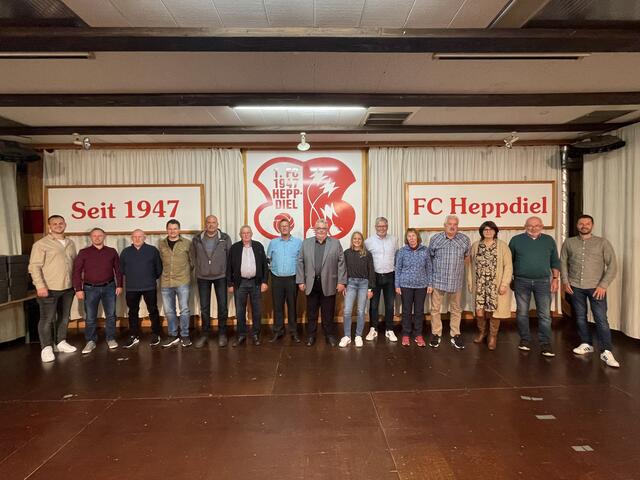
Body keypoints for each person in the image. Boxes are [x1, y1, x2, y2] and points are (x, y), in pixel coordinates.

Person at [561, 214, 619, 368]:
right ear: (577, 225)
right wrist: (565, 281)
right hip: (575, 287)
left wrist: (603, 285)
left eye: (587, 223)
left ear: (592, 226)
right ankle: (586, 343)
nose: (584, 226)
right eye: (581, 223)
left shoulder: (602, 243)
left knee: (601, 319)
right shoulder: (569, 242)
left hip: (596, 287)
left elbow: (612, 266)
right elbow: (563, 262)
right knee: (580, 317)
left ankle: (606, 351)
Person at [28, 215, 78, 363]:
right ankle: (46, 348)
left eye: (60, 223)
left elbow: (74, 264)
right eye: (54, 224)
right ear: (49, 226)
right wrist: (40, 286)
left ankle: (61, 342)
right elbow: (34, 267)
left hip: (68, 287)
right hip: (48, 288)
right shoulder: (41, 244)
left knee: (64, 317)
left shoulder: (70, 243)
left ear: (65, 225)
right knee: (47, 319)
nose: (58, 225)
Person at [509, 216, 561, 357]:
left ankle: (545, 343)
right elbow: (509, 261)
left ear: (541, 226)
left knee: (544, 314)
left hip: (543, 282)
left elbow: (555, 261)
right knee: (522, 313)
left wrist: (555, 279)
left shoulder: (549, 240)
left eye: (537, 225)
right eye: (530, 225)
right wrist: (509, 279)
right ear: (525, 226)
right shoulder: (516, 240)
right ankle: (525, 340)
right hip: (521, 281)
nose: (533, 228)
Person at [296, 218, 347, 347]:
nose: (321, 231)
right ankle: (311, 336)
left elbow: (341, 263)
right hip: (311, 283)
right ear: (314, 229)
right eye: (318, 228)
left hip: (329, 283)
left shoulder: (335, 243)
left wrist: (341, 282)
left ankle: (329, 335)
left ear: (327, 229)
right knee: (311, 312)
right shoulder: (306, 243)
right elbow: (300, 262)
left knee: (328, 313)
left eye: (323, 228)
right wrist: (300, 281)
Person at [73, 227, 123, 354]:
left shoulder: (111, 251)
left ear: (104, 236)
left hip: (109, 287)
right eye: (94, 236)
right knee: (90, 317)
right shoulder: (83, 252)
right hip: (90, 289)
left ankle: (111, 338)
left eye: (100, 235)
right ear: (91, 237)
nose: (97, 238)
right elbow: (76, 271)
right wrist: (78, 289)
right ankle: (90, 341)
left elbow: (118, 269)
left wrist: (119, 285)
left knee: (111, 315)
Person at [466, 221, 513, 351]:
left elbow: (508, 266)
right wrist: (470, 282)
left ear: (495, 231)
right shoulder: (476, 246)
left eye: (491, 229)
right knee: (480, 312)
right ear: (481, 231)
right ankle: (482, 332)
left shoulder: (502, 246)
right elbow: (470, 266)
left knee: (494, 312)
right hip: (480, 285)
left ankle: (493, 336)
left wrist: (504, 284)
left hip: (495, 285)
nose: (488, 232)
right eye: (485, 229)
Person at [428, 215, 471, 350]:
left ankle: (455, 334)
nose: (452, 227)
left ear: (458, 226)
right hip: (438, 280)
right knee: (435, 309)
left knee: (456, 309)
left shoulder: (464, 239)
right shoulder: (435, 239)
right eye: (449, 224)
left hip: (455, 281)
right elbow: (430, 258)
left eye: (455, 224)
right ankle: (436, 333)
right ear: (444, 225)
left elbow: (466, 258)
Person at [191, 215, 232, 348]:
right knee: (204, 307)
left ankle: (222, 333)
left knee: (222, 306)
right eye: (209, 222)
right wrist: (199, 268)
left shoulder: (225, 238)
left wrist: (229, 276)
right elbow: (193, 256)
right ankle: (205, 334)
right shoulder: (197, 239)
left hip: (221, 276)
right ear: (205, 224)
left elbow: (230, 257)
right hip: (203, 277)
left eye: (214, 222)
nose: (211, 225)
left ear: (217, 224)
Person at [120, 229, 163, 348]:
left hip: (149, 286)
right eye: (135, 237)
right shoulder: (126, 252)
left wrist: (150, 278)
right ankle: (133, 335)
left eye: (140, 236)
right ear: (131, 238)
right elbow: (122, 269)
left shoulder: (152, 250)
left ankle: (156, 333)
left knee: (153, 310)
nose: (137, 239)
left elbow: (159, 268)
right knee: (132, 312)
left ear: (145, 237)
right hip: (131, 287)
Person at [227, 226, 269, 346]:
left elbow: (264, 266)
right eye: (243, 233)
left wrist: (265, 281)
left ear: (251, 234)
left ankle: (256, 335)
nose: (246, 235)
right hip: (240, 283)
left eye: (248, 233)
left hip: (256, 283)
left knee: (257, 311)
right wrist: (230, 283)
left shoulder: (258, 246)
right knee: (240, 311)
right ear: (240, 235)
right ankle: (241, 335)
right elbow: (229, 267)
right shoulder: (234, 248)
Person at [158, 219, 193, 348]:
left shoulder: (187, 243)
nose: (172, 231)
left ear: (179, 230)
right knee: (169, 311)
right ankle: (173, 335)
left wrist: (185, 273)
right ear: (167, 230)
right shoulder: (161, 244)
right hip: (166, 282)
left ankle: (185, 335)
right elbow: (159, 262)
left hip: (182, 281)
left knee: (184, 310)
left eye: (175, 228)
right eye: (170, 229)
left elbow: (192, 262)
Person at [267, 218, 302, 343]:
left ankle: (293, 332)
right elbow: (268, 259)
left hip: (292, 279)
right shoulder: (273, 242)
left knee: (292, 307)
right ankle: (278, 331)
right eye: (282, 226)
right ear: (279, 228)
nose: (284, 228)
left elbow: (301, 261)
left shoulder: (298, 243)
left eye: (286, 226)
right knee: (277, 307)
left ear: (290, 227)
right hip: (276, 278)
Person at [395, 229, 432, 346]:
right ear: (407, 238)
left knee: (419, 311)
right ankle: (406, 334)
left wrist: (430, 284)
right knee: (406, 311)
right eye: (409, 236)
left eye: (413, 236)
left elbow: (429, 268)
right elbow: (398, 269)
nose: (411, 238)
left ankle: (418, 334)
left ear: (417, 237)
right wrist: (397, 285)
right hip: (405, 285)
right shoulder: (402, 251)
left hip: (421, 286)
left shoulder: (425, 250)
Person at [364, 216, 399, 342]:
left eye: (384, 226)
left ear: (387, 227)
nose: (382, 228)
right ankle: (373, 329)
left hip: (390, 276)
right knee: (373, 305)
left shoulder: (394, 240)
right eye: (379, 226)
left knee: (390, 305)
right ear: (375, 227)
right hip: (375, 277)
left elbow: (396, 257)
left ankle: (389, 329)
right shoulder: (368, 242)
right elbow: (366, 261)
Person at [339, 232, 376, 348]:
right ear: (352, 240)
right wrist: (344, 284)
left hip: (364, 284)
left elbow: (371, 271)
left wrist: (370, 289)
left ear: (362, 240)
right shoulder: (347, 253)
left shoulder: (367, 254)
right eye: (355, 238)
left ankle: (358, 336)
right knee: (347, 311)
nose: (357, 240)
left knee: (360, 311)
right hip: (350, 283)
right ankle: (347, 336)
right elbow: (343, 270)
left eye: (359, 239)